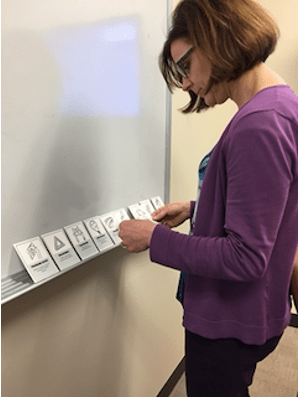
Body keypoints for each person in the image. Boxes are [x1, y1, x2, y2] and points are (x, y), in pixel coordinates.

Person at [119, 0, 298, 396]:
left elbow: (246, 256)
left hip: (228, 324)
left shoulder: (258, 126)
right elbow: (272, 207)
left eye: (185, 67)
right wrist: (195, 209)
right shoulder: (280, 105)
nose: (185, 84)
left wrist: (154, 238)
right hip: (252, 314)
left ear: (216, 40)